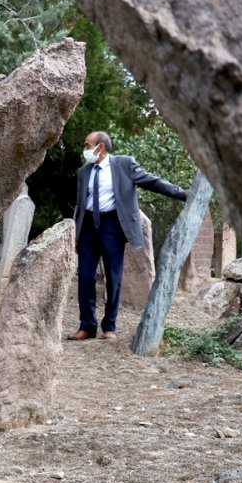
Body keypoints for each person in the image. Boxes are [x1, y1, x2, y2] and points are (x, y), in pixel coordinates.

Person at [68, 131, 187, 340]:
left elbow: (152, 181)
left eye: (88, 146)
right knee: (85, 277)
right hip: (88, 228)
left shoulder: (124, 164)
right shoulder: (83, 172)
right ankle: (87, 326)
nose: (85, 150)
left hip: (112, 226)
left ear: (101, 147)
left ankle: (109, 326)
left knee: (113, 277)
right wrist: (76, 234)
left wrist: (182, 193)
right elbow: (80, 204)